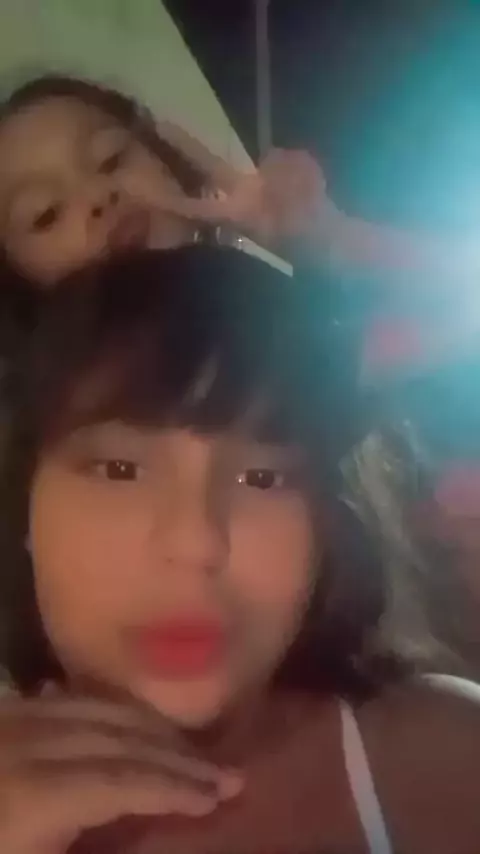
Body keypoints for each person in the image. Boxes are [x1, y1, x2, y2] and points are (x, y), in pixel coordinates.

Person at [0, 245, 479, 854]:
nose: (196, 541)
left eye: (263, 478)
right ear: (23, 506)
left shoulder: (442, 760)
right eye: (120, 469)